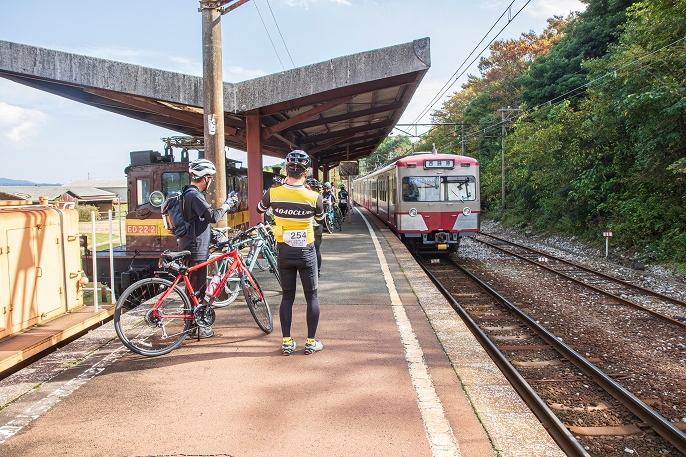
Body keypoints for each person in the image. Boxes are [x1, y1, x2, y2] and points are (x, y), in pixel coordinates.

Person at [257, 151, 325, 355]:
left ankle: (287, 342)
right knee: (311, 296)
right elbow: (320, 221)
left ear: (286, 169)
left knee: (287, 297)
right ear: (306, 172)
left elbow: (260, 209)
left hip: (284, 252)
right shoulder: (314, 196)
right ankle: (311, 342)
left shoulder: (273, 193)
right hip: (306, 252)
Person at [179, 158, 238, 338]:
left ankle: (191, 325)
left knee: (193, 289)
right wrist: (227, 204)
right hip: (196, 249)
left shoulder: (187, 193)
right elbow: (212, 216)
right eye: (210, 178)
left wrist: (213, 236)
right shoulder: (194, 195)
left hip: (191, 244)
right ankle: (197, 326)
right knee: (198, 288)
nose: (210, 182)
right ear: (205, 178)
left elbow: (199, 222)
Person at [306, 178, 324, 277]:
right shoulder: (318, 196)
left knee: (305, 249)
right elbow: (320, 217)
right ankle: (317, 270)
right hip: (317, 226)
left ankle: (308, 271)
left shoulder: (303, 196)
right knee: (317, 249)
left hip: (306, 227)